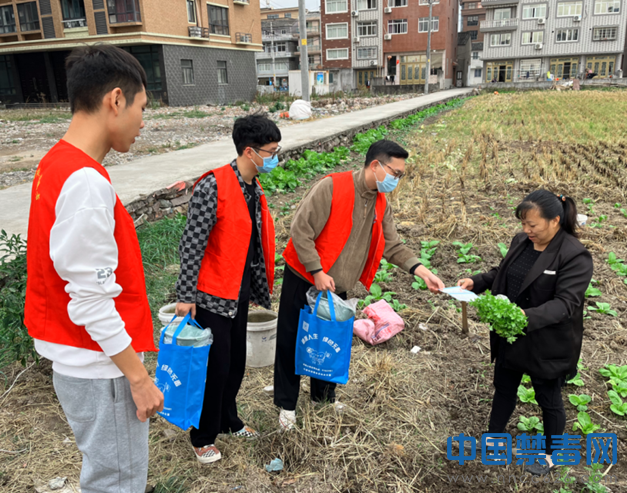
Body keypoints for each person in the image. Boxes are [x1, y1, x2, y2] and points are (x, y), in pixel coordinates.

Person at [24, 45, 164, 493]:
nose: (143, 122)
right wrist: (138, 379)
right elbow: (90, 298)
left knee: (106, 476)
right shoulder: (84, 181)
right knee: (116, 482)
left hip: (81, 359)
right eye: (143, 108)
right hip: (101, 367)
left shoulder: (55, 163)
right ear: (116, 100)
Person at [274, 139, 445, 431]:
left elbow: (392, 245)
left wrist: (422, 271)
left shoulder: (380, 202)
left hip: (335, 285)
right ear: (375, 165)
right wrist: (316, 270)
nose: (396, 180)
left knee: (329, 341)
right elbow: (300, 230)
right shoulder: (332, 187)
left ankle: (323, 398)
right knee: (294, 340)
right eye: (395, 173)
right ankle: (287, 405)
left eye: (401, 175)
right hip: (305, 277)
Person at [457, 190, 593, 476]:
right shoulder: (521, 241)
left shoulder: (574, 255)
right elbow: (504, 272)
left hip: (547, 340)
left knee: (548, 398)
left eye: (533, 224)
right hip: (512, 334)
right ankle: (493, 437)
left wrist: (525, 316)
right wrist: (476, 282)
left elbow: (566, 304)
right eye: (523, 223)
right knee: (504, 387)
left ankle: (552, 454)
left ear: (555, 220)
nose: (527, 230)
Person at [175, 114, 279, 464]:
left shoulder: (253, 188)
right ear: (250, 151)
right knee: (214, 368)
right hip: (211, 295)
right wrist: (185, 296)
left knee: (235, 362)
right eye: (271, 152)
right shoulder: (213, 186)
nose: (275, 158)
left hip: (239, 291)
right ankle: (202, 436)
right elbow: (192, 245)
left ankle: (228, 420)